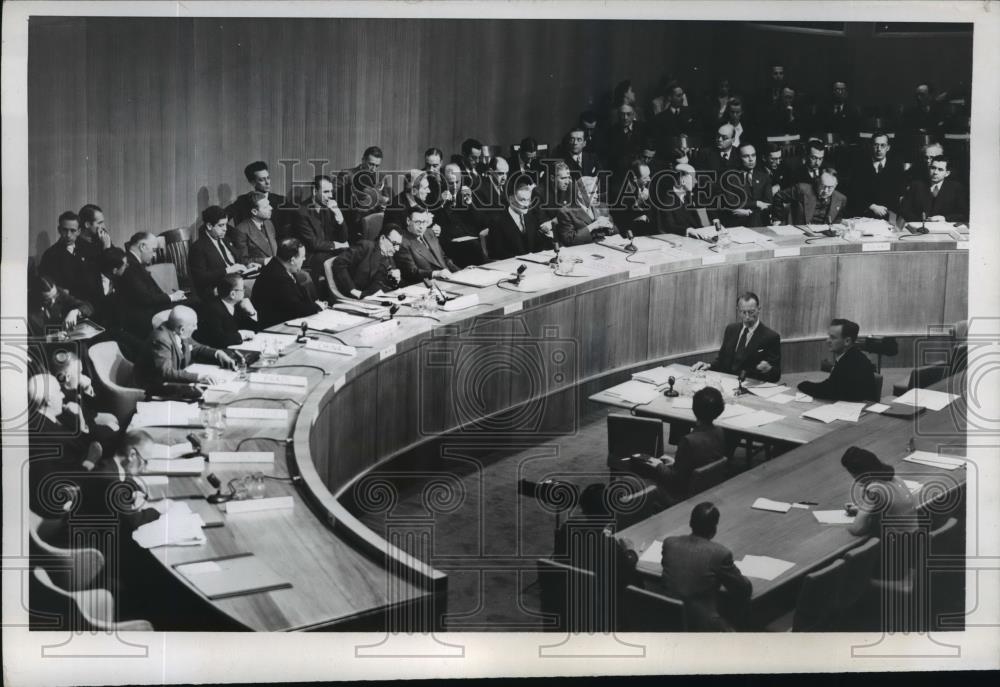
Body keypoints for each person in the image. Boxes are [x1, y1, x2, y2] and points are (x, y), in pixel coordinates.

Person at [660, 502, 752, 631]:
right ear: (714, 529)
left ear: (691, 523)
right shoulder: (720, 554)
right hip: (701, 627)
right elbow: (744, 590)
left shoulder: (669, 543)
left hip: (667, 619)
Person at [649, 387, 728, 503]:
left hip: (682, 496)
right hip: (706, 489)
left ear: (694, 408)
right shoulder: (720, 432)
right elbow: (702, 462)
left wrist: (658, 465)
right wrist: (674, 462)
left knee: (643, 480)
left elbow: (675, 481)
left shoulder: (689, 441)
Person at [134, 305, 237, 391]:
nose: (196, 328)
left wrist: (218, 353)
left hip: (172, 383)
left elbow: (197, 348)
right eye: (194, 325)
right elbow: (166, 372)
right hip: (153, 388)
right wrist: (198, 377)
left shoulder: (177, 329)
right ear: (182, 329)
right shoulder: (161, 339)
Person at [692, 292, 781, 382]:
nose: (747, 316)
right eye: (743, 312)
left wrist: (768, 369)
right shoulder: (731, 329)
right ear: (738, 311)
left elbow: (776, 375)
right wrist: (708, 366)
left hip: (751, 387)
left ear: (759, 309)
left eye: (751, 312)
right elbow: (722, 360)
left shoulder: (771, 337)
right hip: (727, 383)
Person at [118, 231, 186, 340]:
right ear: (143, 246)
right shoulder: (130, 265)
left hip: (146, 312)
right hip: (141, 319)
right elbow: (144, 298)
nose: (154, 255)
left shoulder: (133, 262)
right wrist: (172, 297)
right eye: (154, 250)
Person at [251, 239, 327, 329]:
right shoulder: (277, 276)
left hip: (287, 321)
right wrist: (317, 307)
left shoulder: (280, 267)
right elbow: (295, 309)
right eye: (302, 256)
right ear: (292, 260)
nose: (304, 259)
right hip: (276, 328)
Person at [797, 318, 877, 402]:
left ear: (847, 341)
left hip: (861, 412)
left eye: (833, 337)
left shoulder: (852, 362)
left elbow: (827, 390)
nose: (828, 341)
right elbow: (831, 386)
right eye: (829, 336)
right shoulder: (852, 355)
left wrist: (803, 385)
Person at [288, 174, 350, 276]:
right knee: (340, 262)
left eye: (331, 191)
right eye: (326, 192)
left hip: (328, 252)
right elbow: (314, 243)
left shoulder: (329, 207)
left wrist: (339, 216)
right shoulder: (301, 212)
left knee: (355, 254)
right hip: (311, 256)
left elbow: (343, 238)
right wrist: (337, 245)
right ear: (314, 191)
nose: (330, 196)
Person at [188, 205, 254, 298]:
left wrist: (248, 265)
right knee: (258, 289)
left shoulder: (226, 240)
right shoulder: (198, 247)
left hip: (238, 281)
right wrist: (228, 270)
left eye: (226, 224)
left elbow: (238, 258)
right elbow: (200, 278)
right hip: (219, 289)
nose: (225, 229)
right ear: (209, 226)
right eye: (221, 225)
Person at [38, 211, 101, 303]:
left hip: (91, 305)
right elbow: (50, 288)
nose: (68, 235)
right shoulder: (50, 255)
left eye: (72, 230)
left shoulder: (89, 250)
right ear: (59, 230)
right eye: (65, 230)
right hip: (67, 305)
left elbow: (96, 282)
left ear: (79, 231)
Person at [484, 179, 553, 260]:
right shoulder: (497, 222)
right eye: (522, 200)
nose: (527, 204)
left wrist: (548, 236)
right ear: (511, 199)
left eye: (528, 200)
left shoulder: (531, 217)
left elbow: (537, 247)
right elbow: (497, 254)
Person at [331, 224, 404, 298]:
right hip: (355, 297)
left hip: (375, 298)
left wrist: (396, 281)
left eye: (399, 245)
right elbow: (339, 262)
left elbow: (386, 284)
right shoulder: (365, 247)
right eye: (394, 243)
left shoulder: (390, 259)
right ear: (382, 238)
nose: (397, 249)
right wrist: (352, 289)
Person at [847, 131, 905, 220]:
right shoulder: (860, 167)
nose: (879, 149)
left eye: (883, 145)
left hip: (889, 216)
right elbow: (854, 193)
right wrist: (872, 206)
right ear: (871, 146)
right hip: (865, 215)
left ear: (888, 148)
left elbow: (899, 194)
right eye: (876, 145)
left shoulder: (896, 167)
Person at [194, 274, 259, 348]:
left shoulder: (238, 305)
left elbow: (254, 330)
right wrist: (242, 335)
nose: (245, 291)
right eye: (243, 288)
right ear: (232, 294)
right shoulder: (213, 310)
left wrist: (251, 313)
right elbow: (218, 339)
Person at [396, 208, 458, 284]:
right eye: (417, 222)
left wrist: (461, 271)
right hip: (427, 283)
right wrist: (436, 274)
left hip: (447, 278)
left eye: (424, 222)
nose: (421, 227)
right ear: (408, 221)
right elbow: (411, 272)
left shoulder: (430, 232)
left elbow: (443, 258)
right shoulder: (401, 241)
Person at [900, 155, 968, 223]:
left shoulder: (956, 188)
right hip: (919, 227)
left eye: (940, 169)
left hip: (944, 229)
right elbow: (905, 211)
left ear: (947, 173)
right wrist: (922, 222)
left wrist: (945, 218)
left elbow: (964, 214)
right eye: (933, 168)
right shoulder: (916, 185)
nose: (935, 172)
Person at [719, 143, 772, 227]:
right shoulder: (729, 177)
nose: (751, 159)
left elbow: (768, 203)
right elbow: (731, 202)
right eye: (746, 156)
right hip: (738, 223)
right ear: (739, 158)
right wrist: (756, 203)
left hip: (760, 221)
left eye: (753, 155)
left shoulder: (764, 176)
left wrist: (748, 212)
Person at [225, 161, 288, 230]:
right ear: (252, 182)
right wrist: (235, 234)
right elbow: (220, 218)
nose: (267, 182)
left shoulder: (281, 201)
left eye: (268, 178)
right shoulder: (242, 201)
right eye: (262, 180)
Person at [772, 169, 848, 225]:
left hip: (824, 236)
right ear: (818, 182)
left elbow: (837, 221)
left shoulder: (841, 199)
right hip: (799, 231)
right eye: (823, 186)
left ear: (836, 185)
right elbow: (778, 196)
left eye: (830, 187)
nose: (826, 190)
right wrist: (777, 219)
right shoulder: (801, 189)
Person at [556, 176, 615, 246]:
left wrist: (610, 226)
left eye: (596, 192)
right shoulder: (566, 212)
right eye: (592, 193)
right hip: (581, 252)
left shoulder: (602, 206)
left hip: (605, 248)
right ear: (580, 194)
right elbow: (569, 240)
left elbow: (616, 230)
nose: (596, 196)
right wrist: (593, 226)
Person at [27, 275, 94, 338]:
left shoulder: (58, 292)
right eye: (47, 300)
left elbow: (88, 306)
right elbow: (31, 341)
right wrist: (52, 338)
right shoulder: (29, 311)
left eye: (55, 296)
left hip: (64, 337)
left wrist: (75, 312)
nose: (53, 301)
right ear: (37, 297)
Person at [229, 191, 279, 265]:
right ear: (254, 211)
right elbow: (243, 260)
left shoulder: (268, 223)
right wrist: (264, 261)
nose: (271, 208)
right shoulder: (241, 230)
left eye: (269, 204)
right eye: (266, 207)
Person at [657, 164, 706, 235]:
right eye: (693, 178)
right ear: (682, 181)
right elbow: (669, 226)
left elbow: (697, 223)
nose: (696, 181)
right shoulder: (666, 200)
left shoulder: (687, 196)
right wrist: (688, 230)